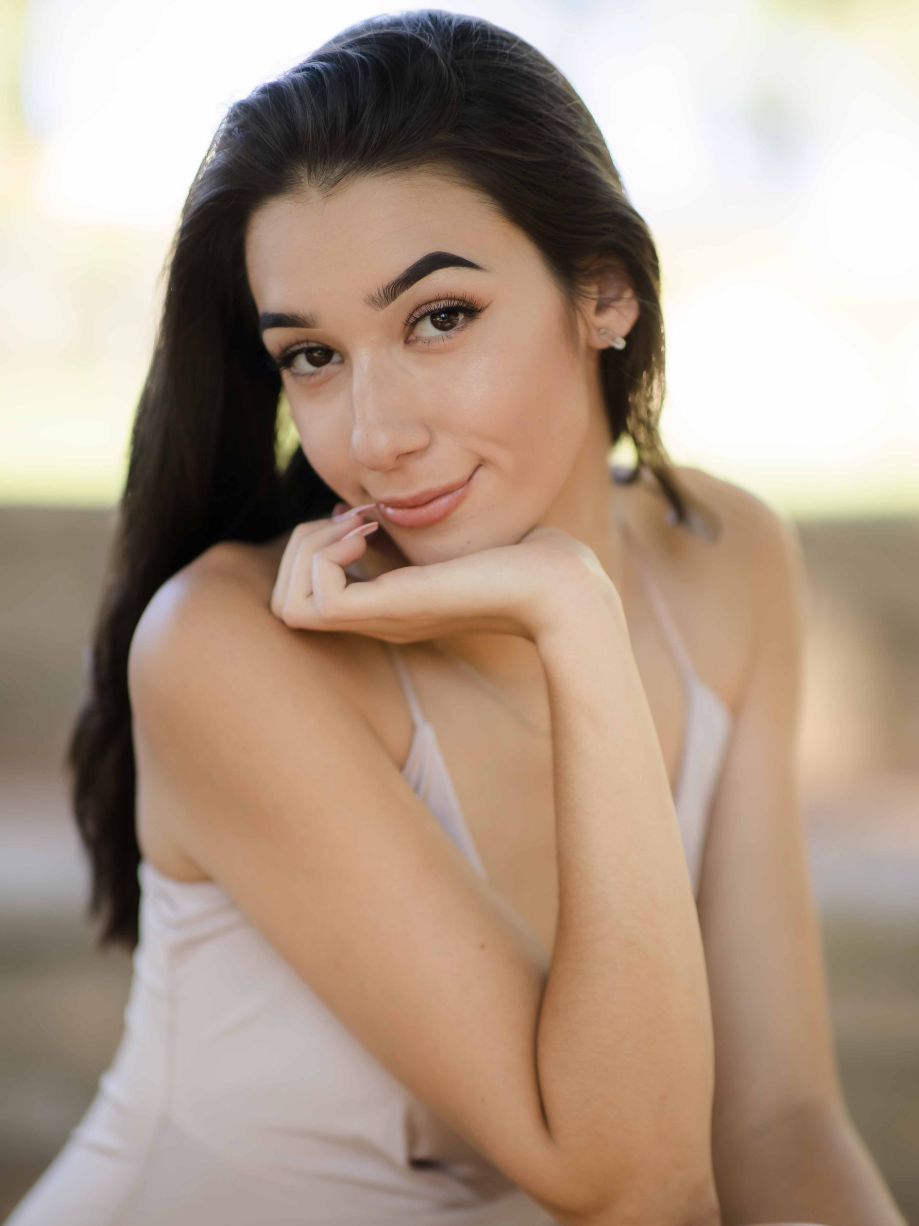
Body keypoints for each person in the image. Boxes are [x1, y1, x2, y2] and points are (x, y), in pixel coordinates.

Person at [5, 11, 906, 1226]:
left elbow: (776, 1121)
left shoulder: (726, 561)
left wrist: (574, 605)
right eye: (312, 355)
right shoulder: (224, 646)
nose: (375, 434)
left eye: (438, 317)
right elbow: (633, 1181)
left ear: (603, 291)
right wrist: (573, 614)